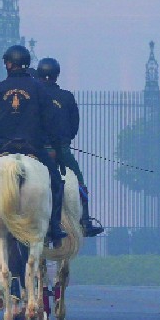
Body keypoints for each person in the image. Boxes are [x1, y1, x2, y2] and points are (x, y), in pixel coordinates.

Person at [0, 45, 67, 244]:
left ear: (9, 64)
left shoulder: (0, 88)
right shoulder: (39, 88)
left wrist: (3, 136)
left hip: (5, 147)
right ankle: (55, 226)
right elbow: (50, 121)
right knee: (56, 183)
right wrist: (55, 149)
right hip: (33, 146)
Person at [36, 58, 104, 237]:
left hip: (37, 148)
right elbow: (74, 126)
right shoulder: (66, 97)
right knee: (79, 182)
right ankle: (86, 221)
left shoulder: (34, 96)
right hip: (60, 149)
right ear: (57, 75)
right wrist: (65, 141)